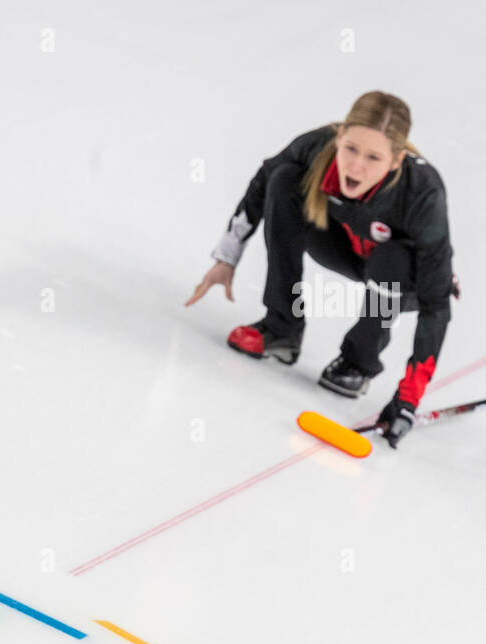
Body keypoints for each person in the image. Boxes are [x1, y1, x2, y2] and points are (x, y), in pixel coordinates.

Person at [185, 91, 458, 447]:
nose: (355, 166)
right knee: (284, 180)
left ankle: (358, 362)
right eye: (351, 149)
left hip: (402, 279)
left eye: (373, 157)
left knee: (392, 258)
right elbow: (264, 180)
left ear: (395, 161)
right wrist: (227, 256)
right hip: (343, 247)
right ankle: (281, 326)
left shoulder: (422, 193)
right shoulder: (318, 147)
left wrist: (408, 399)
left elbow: (437, 306)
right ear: (341, 135)